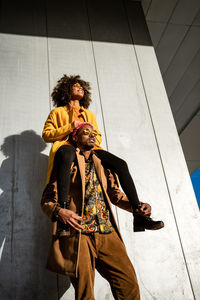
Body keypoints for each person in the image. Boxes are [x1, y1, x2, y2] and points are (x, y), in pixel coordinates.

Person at [41, 123, 153, 300]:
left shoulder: (102, 164)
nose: (92, 135)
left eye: (93, 133)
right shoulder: (67, 161)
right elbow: (47, 200)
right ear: (75, 138)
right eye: (86, 133)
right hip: (79, 234)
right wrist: (59, 211)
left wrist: (137, 205)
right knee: (85, 293)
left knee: (128, 285)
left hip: (107, 233)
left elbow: (115, 195)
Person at [42, 74, 164, 231]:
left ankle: (138, 212)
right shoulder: (57, 112)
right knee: (67, 154)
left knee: (121, 164)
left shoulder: (89, 114)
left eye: (82, 87)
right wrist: (70, 127)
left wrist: (89, 139)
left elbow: (97, 135)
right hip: (67, 145)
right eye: (75, 86)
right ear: (66, 90)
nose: (80, 88)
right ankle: (63, 212)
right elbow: (47, 134)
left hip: (89, 148)